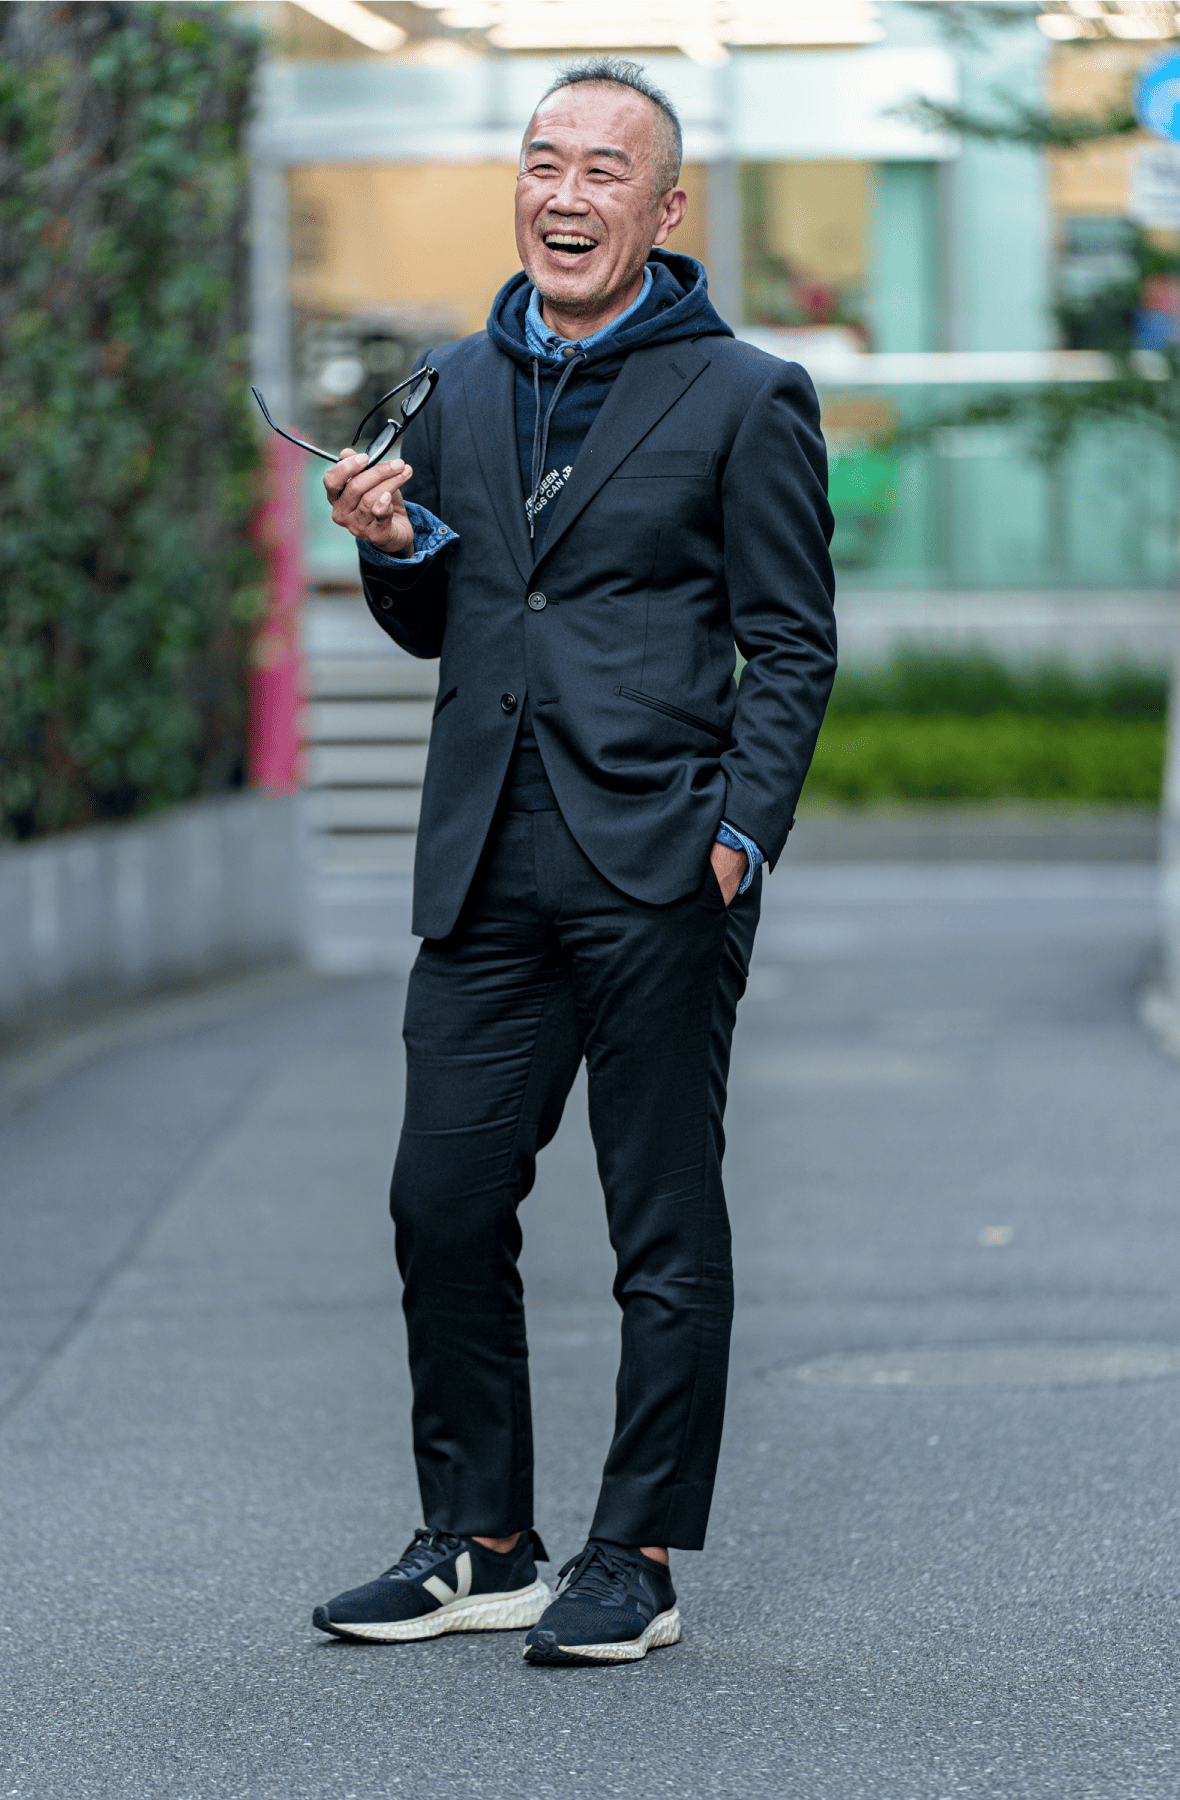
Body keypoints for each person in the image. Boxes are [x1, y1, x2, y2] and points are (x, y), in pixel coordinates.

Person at [311, 57, 836, 1666]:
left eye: (605, 169)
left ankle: (638, 1557)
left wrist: (737, 839)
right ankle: (482, 1542)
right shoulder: (454, 382)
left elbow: (793, 644)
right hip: (484, 858)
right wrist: (390, 548)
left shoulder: (746, 394)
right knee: (440, 1201)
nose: (566, 191)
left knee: (659, 1223)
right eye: (544, 161)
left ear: (664, 210)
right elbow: (450, 615)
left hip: (658, 859)